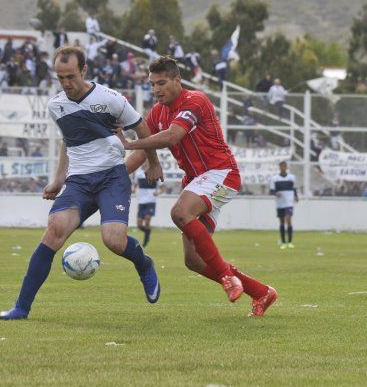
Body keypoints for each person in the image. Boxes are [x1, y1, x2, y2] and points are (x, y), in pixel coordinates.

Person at [0, 46, 164, 320]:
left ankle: (144, 264)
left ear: (84, 70)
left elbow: (141, 126)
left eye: (71, 76)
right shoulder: (56, 105)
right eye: (60, 77)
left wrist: (153, 163)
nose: (66, 83)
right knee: (54, 231)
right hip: (79, 182)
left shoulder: (110, 99)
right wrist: (58, 180)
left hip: (112, 176)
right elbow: (68, 140)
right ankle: (21, 308)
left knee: (113, 240)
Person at [117, 56, 277, 317]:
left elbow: (173, 135)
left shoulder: (195, 100)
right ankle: (261, 292)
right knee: (193, 260)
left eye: (162, 83)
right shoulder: (157, 112)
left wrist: (128, 143)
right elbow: (143, 152)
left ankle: (227, 277)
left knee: (180, 213)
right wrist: (116, 175)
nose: (156, 89)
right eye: (152, 84)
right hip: (199, 182)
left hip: (221, 173)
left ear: (177, 81)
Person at [132, 162, 166, 247]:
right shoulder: (138, 173)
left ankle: (145, 241)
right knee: (139, 225)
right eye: (144, 161)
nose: (145, 163)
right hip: (141, 201)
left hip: (151, 201)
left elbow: (162, 188)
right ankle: (148, 233)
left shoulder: (155, 173)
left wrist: (157, 193)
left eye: (147, 161)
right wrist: (133, 189)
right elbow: (135, 185)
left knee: (147, 220)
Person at [269, 161, 298, 249]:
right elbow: (271, 191)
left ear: (286, 167)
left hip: (289, 202)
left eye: (284, 166)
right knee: (282, 221)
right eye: (282, 166)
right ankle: (283, 242)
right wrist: (275, 193)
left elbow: (294, 188)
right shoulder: (275, 179)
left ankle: (290, 242)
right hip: (280, 203)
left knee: (288, 219)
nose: (283, 168)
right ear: (279, 167)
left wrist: (296, 196)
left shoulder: (292, 177)